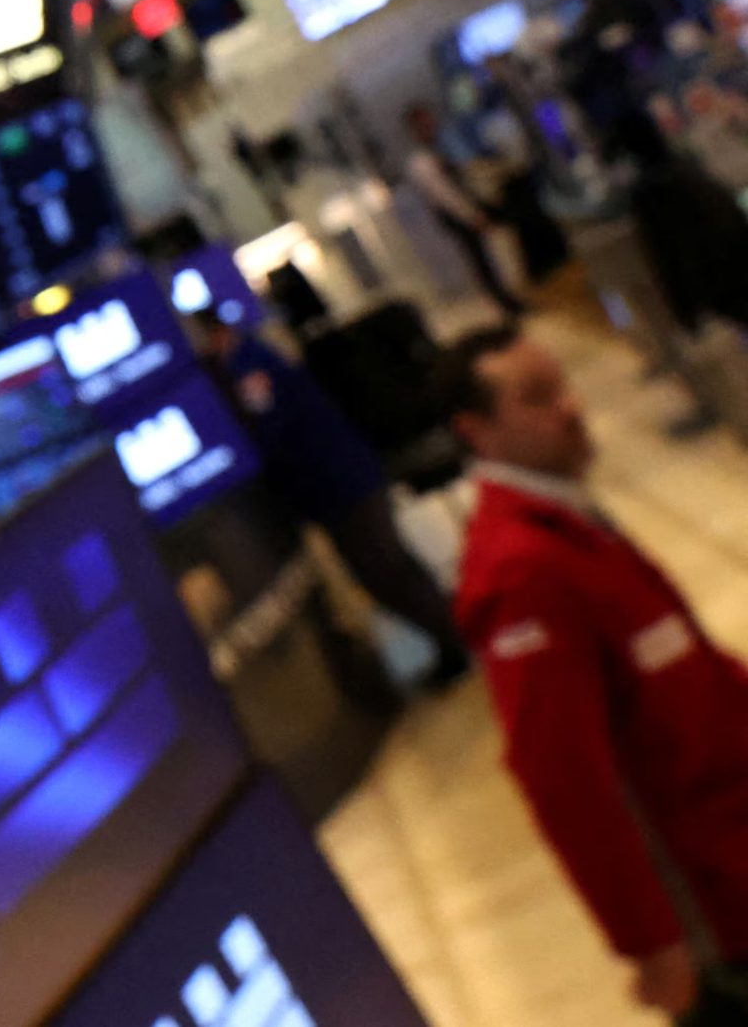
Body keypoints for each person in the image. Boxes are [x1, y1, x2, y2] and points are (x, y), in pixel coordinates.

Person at [441, 328, 748, 1023]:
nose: (571, 407)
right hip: (719, 903)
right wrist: (651, 943)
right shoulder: (521, 572)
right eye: (538, 398)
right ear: (476, 431)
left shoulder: (566, 518)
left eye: (563, 386)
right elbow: (564, 780)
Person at [193, 313, 472, 686]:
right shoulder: (254, 358)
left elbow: (271, 432)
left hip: (343, 487)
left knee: (386, 575)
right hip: (343, 484)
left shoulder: (250, 369)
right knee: (393, 571)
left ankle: (457, 643)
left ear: (215, 333)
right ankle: (456, 638)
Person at [406, 102, 527, 315]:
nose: (431, 125)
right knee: (481, 261)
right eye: (424, 123)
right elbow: (445, 195)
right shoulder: (421, 161)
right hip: (458, 216)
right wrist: (471, 215)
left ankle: (510, 298)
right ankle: (506, 303)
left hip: (466, 210)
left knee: (490, 255)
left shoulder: (439, 149)